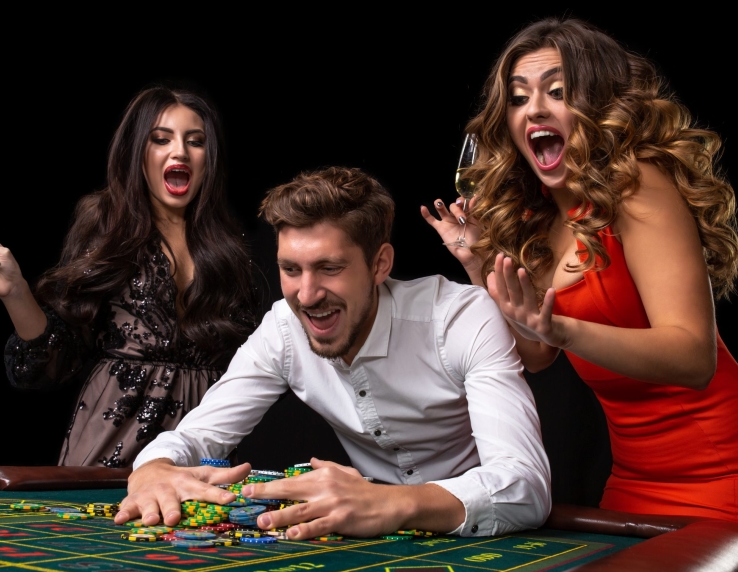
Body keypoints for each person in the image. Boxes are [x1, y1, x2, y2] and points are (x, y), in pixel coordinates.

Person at [422, 18, 738, 572]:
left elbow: (692, 356)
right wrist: (480, 260)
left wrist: (559, 325)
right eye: (518, 97)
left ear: (598, 105)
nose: (534, 109)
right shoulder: (537, 219)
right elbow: (536, 353)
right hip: (636, 483)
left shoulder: (638, 187)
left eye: (557, 92)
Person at [116, 166, 551, 539]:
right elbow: (195, 437)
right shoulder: (283, 330)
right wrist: (153, 466)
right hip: (364, 535)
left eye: (330, 268)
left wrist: (389, 503)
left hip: (482, 538)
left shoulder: (460, 318)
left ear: (380, 264)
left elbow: (525, 487)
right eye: (291, 269)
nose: (306, 295)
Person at [0, 86, 258, 468]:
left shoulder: (229, 247)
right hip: (110, 452)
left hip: (199, 456)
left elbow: (253, 370)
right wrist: (14, 290)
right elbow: (55, 361)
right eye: (161, 139)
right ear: (137, 153)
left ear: (207, 158)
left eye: (195, 142)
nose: (179, 151)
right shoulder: (107, 224)